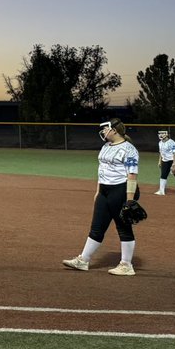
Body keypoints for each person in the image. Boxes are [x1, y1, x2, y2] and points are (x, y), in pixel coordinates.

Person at [63, 118, 141, 276]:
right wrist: (98, 191)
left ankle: (126, 265)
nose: (103, 132)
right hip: (105, 191)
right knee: (97, 226)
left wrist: (130, 200)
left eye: (106, 129)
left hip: (120, 189)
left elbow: (132, 175)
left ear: (114, 130)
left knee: (123, 226)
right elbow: (102, 170)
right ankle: (84, 260)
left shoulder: (129, 149)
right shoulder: (106, 146)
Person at [154, 129, 175, 196]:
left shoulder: (172, 142)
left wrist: (174, 163)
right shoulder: (160, 142)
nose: (161, 135)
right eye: (160, 133)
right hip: (165, 161)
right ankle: (161, 191)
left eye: (163, 133)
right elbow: (161, 152)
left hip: (174, 160)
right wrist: (159, 161)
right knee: (163, 175)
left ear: (166, 134)